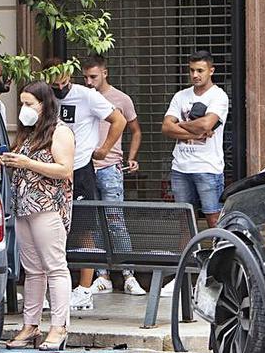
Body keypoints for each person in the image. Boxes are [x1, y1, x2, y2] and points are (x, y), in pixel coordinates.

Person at [44, 56, 126, 311]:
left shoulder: (86, 95)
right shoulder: (46, 97)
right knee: (50, 227)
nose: (58, 85)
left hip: (80, 168)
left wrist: (104, 149)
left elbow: (119, 120)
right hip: (52, 168)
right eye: (52, 80)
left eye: (62, 78)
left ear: (69, 74)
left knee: (85, 227)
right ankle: (55, 288)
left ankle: (84, 288)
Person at [0, 81, 75, 351]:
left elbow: (65, 170)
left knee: (55, 266)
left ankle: (59, 326)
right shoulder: (28, 134)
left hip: (47, 206)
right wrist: (10, 162)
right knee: (32, 271)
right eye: (22, 103)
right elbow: (24, 167)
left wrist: (27, 162)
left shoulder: (60, 132)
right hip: (24, 206)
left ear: (45, 104)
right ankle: (30, 325)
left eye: (30, 103)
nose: (24, 109)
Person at [81, 54, 147, 296]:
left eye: (93, 77)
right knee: (93, 224)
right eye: (85, 77)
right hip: (86, 167)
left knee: (116, 221)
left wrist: (132, 157)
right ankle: (103, 275)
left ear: (105, 73)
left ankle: (128, 274)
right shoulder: (82, 98)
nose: (89, 82)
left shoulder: (121, 98)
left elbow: (135, 130)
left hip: (110, 167)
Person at [162, 50, 229, 229]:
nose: (195, 75)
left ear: (211, 71)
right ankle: (188, 256)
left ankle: (217, 256)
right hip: (180, 167)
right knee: (184, 221)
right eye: (192, 70)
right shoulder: (181, 96)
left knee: (214, 219)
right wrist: (195, 133)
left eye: (200, 70)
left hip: (207, 167)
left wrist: (181, 125)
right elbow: (166, 127)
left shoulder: (218, 96)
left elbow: (207, 124)